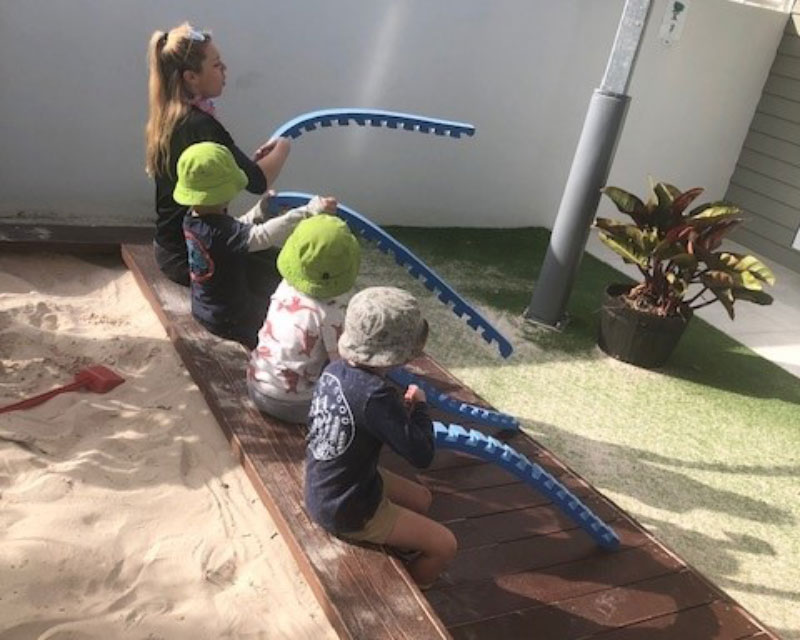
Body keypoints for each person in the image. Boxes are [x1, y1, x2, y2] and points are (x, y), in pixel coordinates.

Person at [304, 287, 458, 587]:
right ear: (400, 353)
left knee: (422, 499)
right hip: (348, 508)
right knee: (446, 545)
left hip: (324, 483)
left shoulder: (334, 369)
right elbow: (422, 454)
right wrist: (421, 408)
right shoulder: (377, 396)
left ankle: (397, 544)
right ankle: (413, 588)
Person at [145, 22, 291, 286]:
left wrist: (248, 165)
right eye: (216, 64)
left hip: (170, 247)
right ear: (191, 77)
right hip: (193, 257)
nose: (225, 70)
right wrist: (283, 146)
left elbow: (237, 174)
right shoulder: (202, 124)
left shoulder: (171, 117)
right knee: (285, 273)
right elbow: (258, 182)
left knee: (277, 263)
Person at [173, 141, 336, 349]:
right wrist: (309, 211)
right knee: (277, 321)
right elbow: (262, 236)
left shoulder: (193, 219)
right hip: (229, 317)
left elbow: (235, 229)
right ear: (224, 192)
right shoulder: (218, 232)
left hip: (204, 306)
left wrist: (260, 210)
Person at [248, 215, 361, 424]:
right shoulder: (329, 314)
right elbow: (342, 362)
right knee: (353, 393)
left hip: (256, 384)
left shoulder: (285, 287)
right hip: (292, 404)